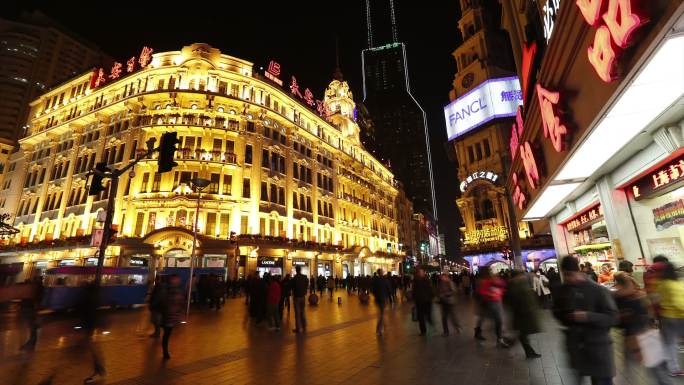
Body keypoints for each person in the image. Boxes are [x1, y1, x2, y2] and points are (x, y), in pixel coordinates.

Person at [553, 256, 619, 385]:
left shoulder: (598, 290)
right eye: (565, 275)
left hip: (598, 348)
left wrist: (587, 316)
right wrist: (564, 316)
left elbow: (613, 317)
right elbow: (556, 311)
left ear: (578, 271)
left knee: (601, 381)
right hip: (576, 348)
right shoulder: (563, 290)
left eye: (570, 274)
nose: (568, 278)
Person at [613, 272, 672, 385]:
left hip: (632, 337)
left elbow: (617, 322)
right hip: (647, 334)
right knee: (657, 370)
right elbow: (651, 313)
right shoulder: (640, 295)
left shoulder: (618, 298)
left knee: (630, 369)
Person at [654, 262, 684, 376]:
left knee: (670, 344)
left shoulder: (661, 284)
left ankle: (673, 369)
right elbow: (679, 302)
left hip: (666, 316)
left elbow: (657, 299)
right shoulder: (675, 284)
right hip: (679, 317)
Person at [506, 271, 541, 358]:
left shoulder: (517, 284)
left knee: (522, 333)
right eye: (521, 275)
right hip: (522, 314)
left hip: (523, 313)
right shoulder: (515, 285)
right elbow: (516, 300)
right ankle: (527, 351)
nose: (523, 276)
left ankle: (527, 351)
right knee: (522, 333)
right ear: (517, 276)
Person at [474, 267, 509, 347]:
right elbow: (482, 292)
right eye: (490, 271)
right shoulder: (484, 281)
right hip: (490, 303)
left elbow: (503, 285)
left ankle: (499, 337)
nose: (491, 272)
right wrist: (489, 294)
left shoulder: (490, 280)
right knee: (497, 320)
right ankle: (500, 338)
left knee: (491, 319)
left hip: (493, 302)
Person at [80, 282, 106, 384]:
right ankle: (99, 371)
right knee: (91, 349)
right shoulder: (95, 296)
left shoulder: (90, 297)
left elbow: (90, 313)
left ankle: (100, 371)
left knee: (92, 349)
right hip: (89, 326)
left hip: (89, 326)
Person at [160, 274, 184, 359]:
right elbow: (162, 302)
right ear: (171, 280)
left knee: (167, 334)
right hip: (166, 316)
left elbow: (180, 303)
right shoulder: (166, 289)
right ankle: (165, 351)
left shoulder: (178, 290)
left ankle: (165, 350)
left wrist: (179, 315)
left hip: (172, 316)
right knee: (166, 334)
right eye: (175, 279)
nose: (177, 281)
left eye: (178, 279)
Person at [19, 276, 44, 351]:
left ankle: (31, 344)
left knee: (32, 327)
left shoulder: (36, 288)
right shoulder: (36, 288)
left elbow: (36, 299)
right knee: (32, 327)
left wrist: (36, 310)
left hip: (30, 309)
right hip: (29, 309)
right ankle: (30, 343)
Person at [412, 268, 434, 336]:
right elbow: (414, 290)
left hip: (427, 300)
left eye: (422, 272)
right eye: (420, 272)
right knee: (421, 316)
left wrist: (431, 297)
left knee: (427, 313)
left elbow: (430, 289)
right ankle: (423, 331)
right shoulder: (415, 280)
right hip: (419, 301)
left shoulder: (427, 280)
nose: (421, 273)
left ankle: (429, 319)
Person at [372, 268, 391, 336]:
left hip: (378, 299)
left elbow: (373, 290)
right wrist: (388, 296)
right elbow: (389, 290)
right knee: (382, 314)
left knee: (381, 313)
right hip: (383, 299)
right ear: (381, 273)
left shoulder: (375, 281)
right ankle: (379, 329)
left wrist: (376, 296)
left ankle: (384, 326)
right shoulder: (385, 281)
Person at [292, 266, 309, 333]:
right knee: (302, 312)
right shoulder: (304, 277)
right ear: (300, 270)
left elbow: (291, 286)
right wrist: (305, 290)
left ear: (296, 270)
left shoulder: (295, 278)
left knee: (297, 313)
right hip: (303, 297)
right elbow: (307, 283)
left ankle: (298, 328)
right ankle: (304, 326)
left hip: (297, 297)